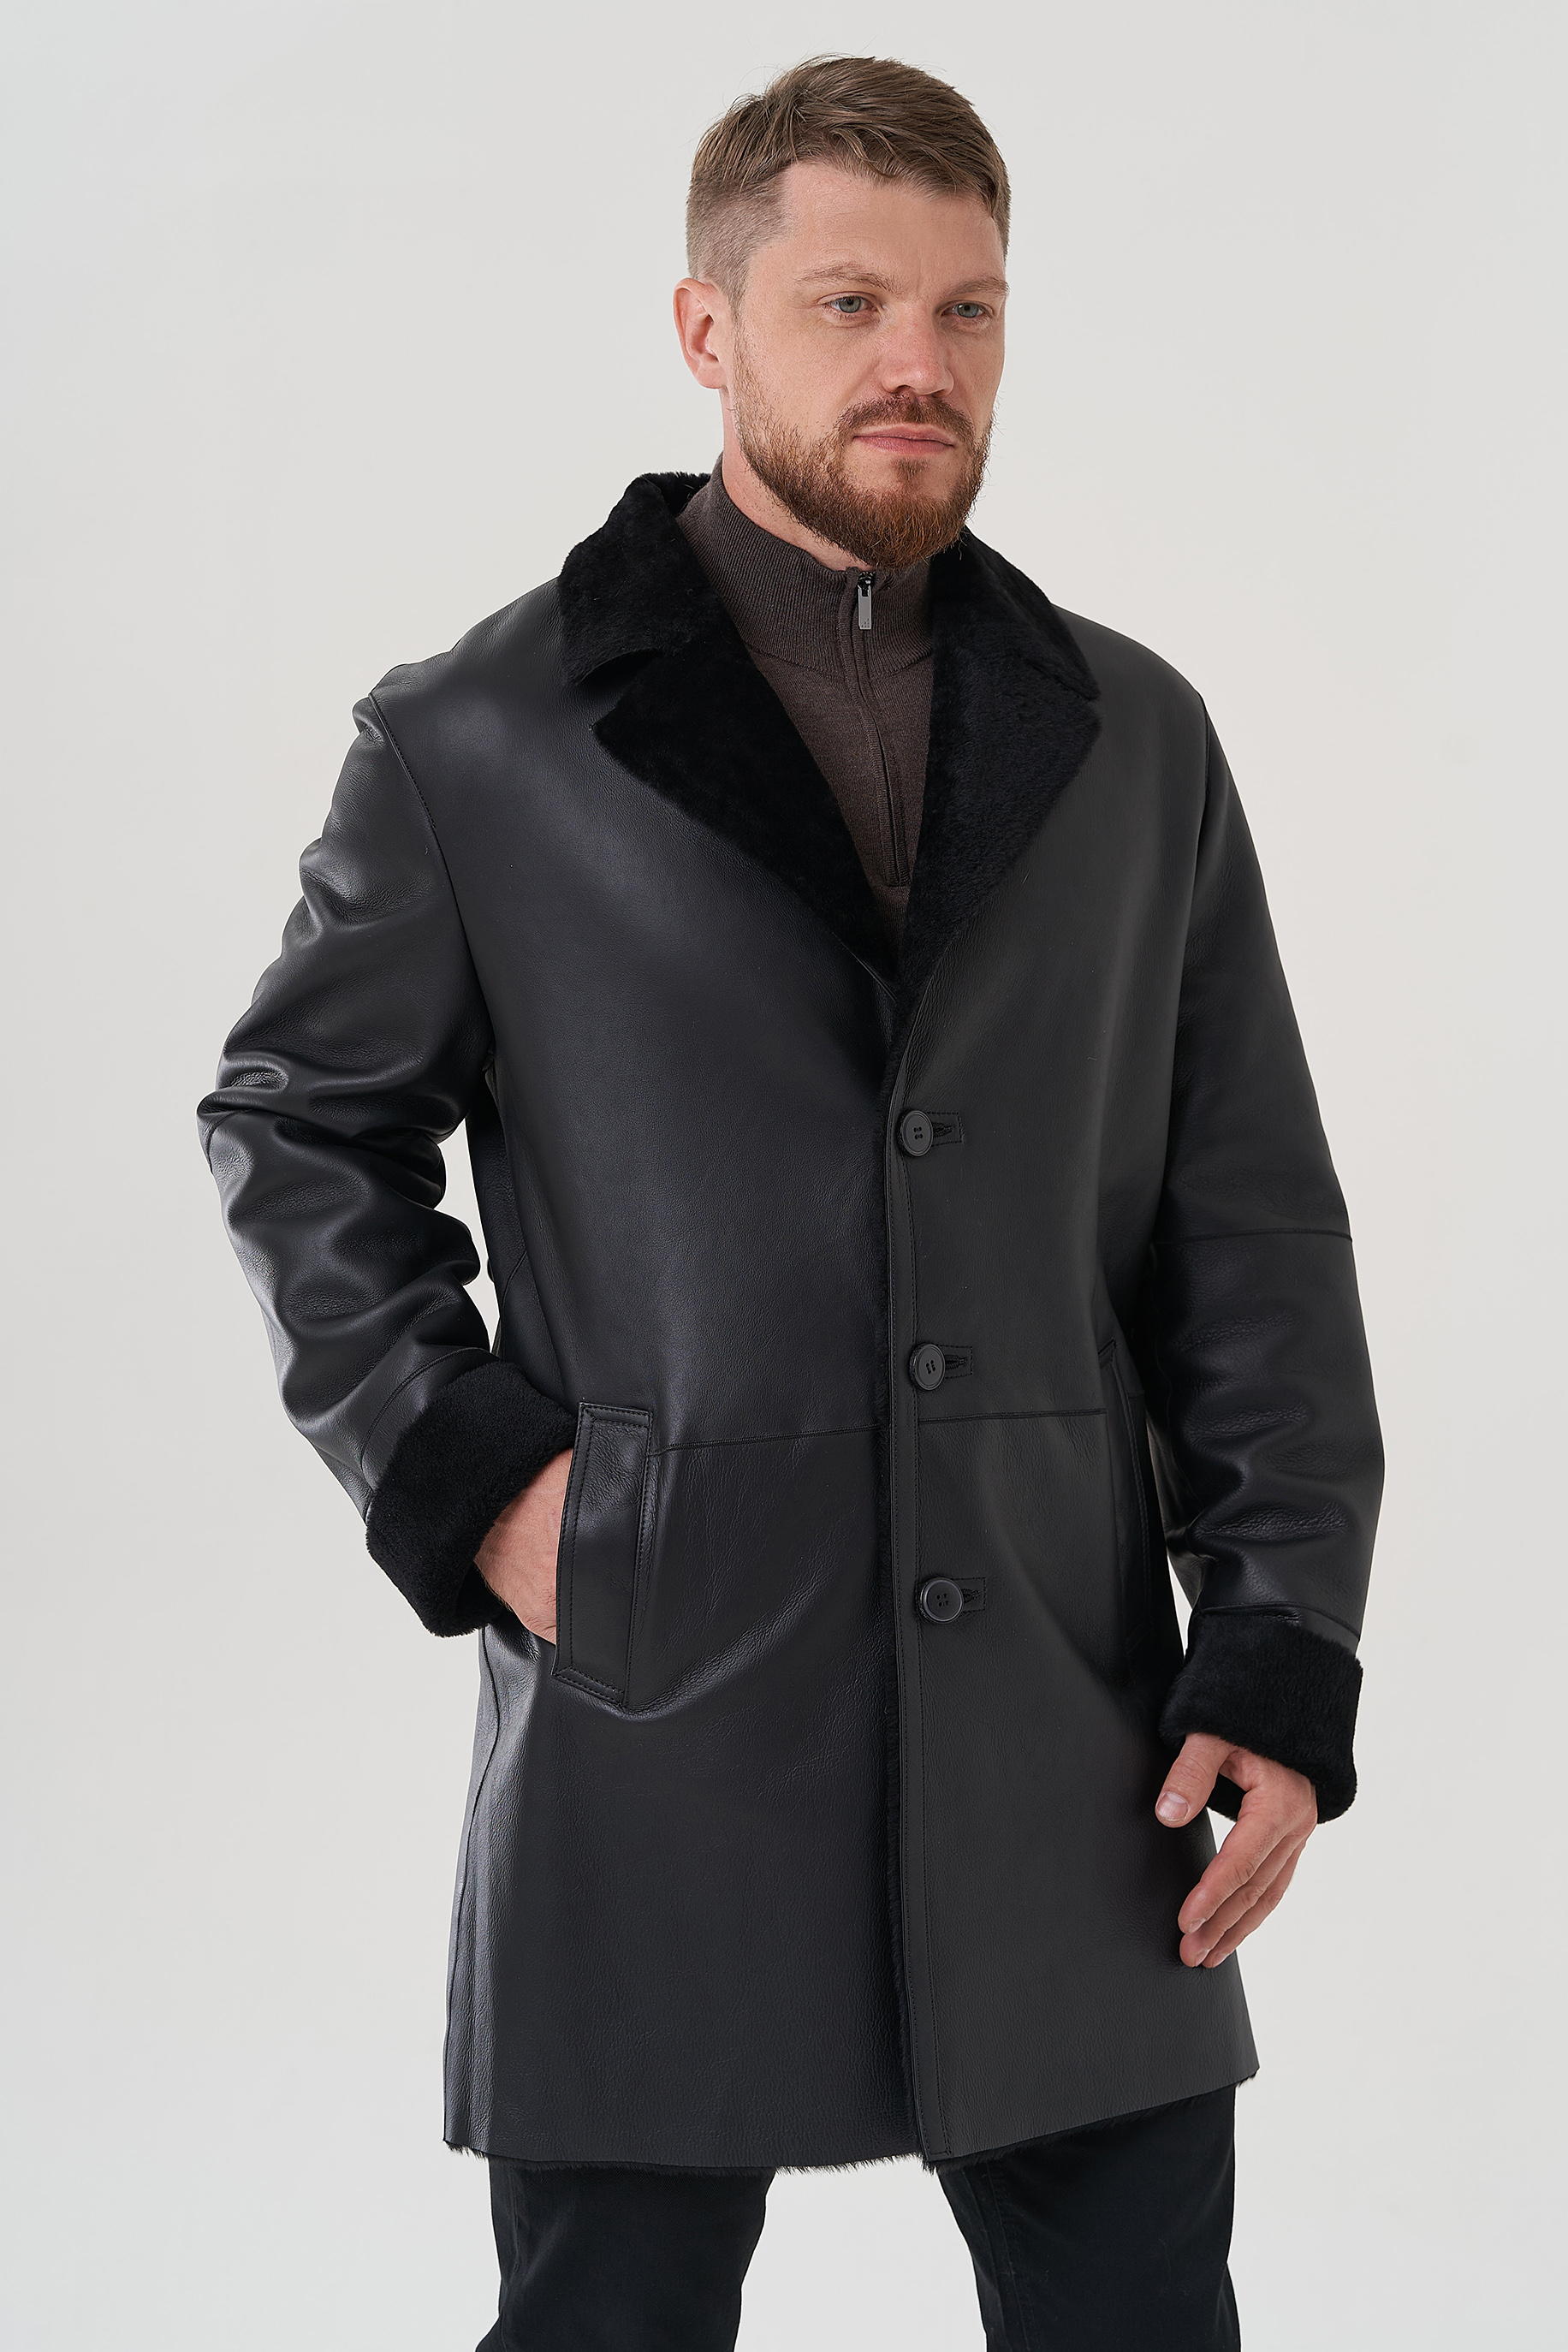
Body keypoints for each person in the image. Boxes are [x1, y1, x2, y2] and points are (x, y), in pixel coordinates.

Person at [199, 53, 1382, 2352]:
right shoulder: (481, 736)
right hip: (662, 1698)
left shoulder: (1136, 740)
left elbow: (1252, 1221)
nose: (917, 361)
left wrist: (1281, 1637)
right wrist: (482, 1483)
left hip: (1072, 1720)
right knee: (613, 2318)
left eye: (967, 308)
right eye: (850, 302)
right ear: (708, 327)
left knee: (1142, 2312)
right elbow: (298, 1120)